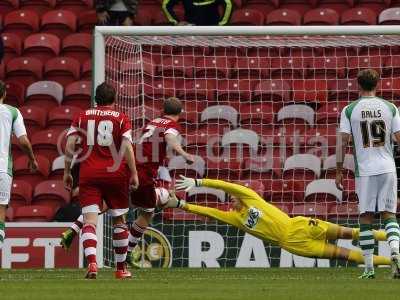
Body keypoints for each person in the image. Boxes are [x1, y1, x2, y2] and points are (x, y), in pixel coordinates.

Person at [165, 176, 391, 268]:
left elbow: (227, 186)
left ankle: (393, 239)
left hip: (299, 224)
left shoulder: (250, 196)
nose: (231, 199)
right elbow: (210, 213)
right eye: (230, 200)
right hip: (292, 244)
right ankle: (392, 263)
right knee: (342, 254)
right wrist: (182, 205)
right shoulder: (236, 218)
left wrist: (198, 181)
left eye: (232, 197)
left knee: (349, 233)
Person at [64, 82, 139, 279]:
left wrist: (67, 171)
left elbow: (70, 144)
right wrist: (134, 172)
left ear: (96, 99)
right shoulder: (121, 118)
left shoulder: (81, 116)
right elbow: (127, 147)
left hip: (89, 174)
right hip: (116, 175)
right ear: (114, 99)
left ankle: (92, 264)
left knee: (90, 221)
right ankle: (121, 270)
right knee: (120, 221)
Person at [336, 68, 400, 279]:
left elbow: (342, 142)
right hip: (388, 168)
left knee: (366, 217)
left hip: (365, 170)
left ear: (358, 85)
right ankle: (396, 252)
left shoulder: (349, 110)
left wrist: (338, 170)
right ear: (377, 84)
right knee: (389, 215)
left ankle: (369, 268)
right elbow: (399, 137)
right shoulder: (390, 107)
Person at [127, 97, 195, 264]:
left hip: (130, 166)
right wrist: (184, 154)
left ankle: (78, 225)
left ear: (163, 110)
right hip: (142, 173)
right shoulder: (172, 125)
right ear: (180, 113)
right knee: (148, 211)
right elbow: (170, 138)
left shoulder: (153, 121)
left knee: (113, 205)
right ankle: (126, 251)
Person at [0, 80, 38, 249]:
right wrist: (32, 159)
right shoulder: (13, 112)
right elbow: (23, 141)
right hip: (2, 168)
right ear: (4, 94)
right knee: (0, 212)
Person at [162, 0, 232, 26]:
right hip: (191, 29)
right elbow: (166, 5)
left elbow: (228, 4)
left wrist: (221, 25)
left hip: (212, 30)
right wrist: (176, 22)